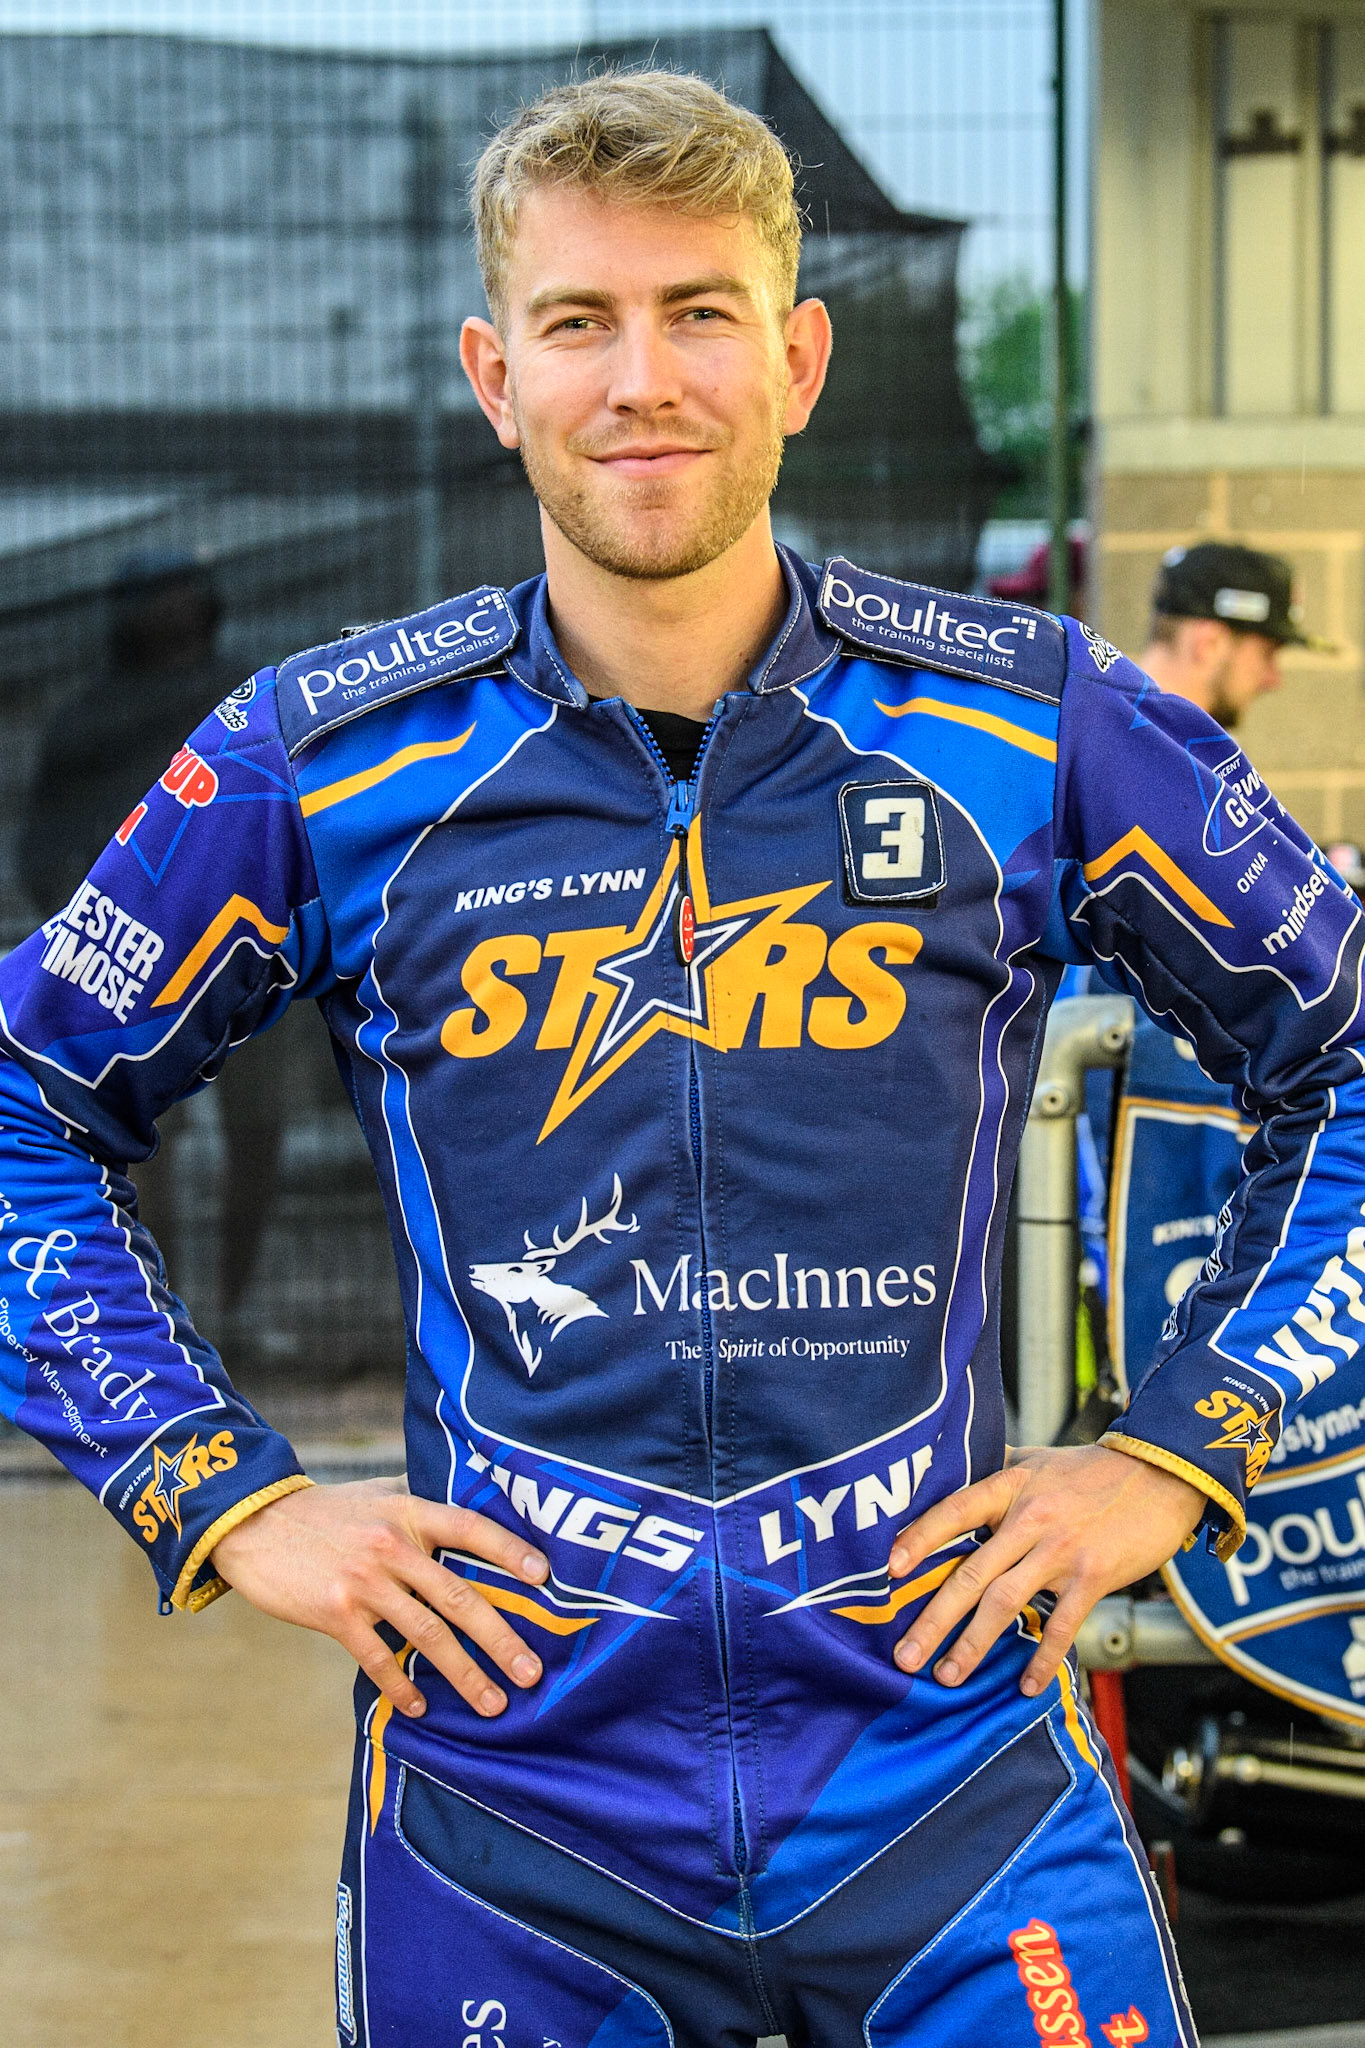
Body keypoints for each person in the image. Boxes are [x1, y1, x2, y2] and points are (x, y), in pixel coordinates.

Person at [1, 72, 1361, 2046]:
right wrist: (215, 1489)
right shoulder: (324, 751)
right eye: (579, 322)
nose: (642, 379)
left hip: (954, 1783)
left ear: (797, 356)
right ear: (495, 373)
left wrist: (1177, 1453)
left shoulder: (1030, 722)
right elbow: (23, 1105)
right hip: (514, 1810)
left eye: (699, 311)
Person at [18, 550, 291, 1320]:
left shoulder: (251, 700)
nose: (174, 606)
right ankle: (160, 1308)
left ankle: (239, 1312)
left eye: (185, 588)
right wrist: (95, 928)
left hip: (256, 962)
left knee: (259, 1131)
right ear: (124, 609)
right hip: (127, 974)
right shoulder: (88, 717)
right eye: (155, 593)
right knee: (137, 1146)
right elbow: (41, 847)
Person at [1136, 538, 1311, 730]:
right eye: (1266, 654)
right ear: (1209, 643)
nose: (1274, 680)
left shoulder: (1125, 736)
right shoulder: (1133, 752)